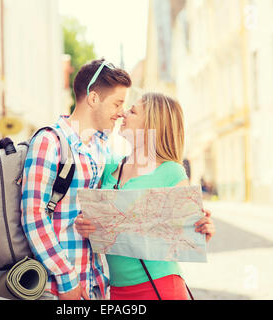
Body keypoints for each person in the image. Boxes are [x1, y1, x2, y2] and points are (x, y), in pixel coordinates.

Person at [75, 92, 216, 300]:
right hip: (116, 290)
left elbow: (189, 234)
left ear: (150, 125)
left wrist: (204, 229)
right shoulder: (111, 167)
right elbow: (94, 220)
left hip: (161, 286)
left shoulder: (171, 172)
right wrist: (84, 225)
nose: (123, 113)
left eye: (132, 111)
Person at [21, 59, 132, 300]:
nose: (122, 112)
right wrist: (66, 278)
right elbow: (33, 216)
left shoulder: (100, 148)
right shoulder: (50, 142)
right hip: (58, 289)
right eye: (117, 103)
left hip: (95, 283)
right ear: (93, 99)